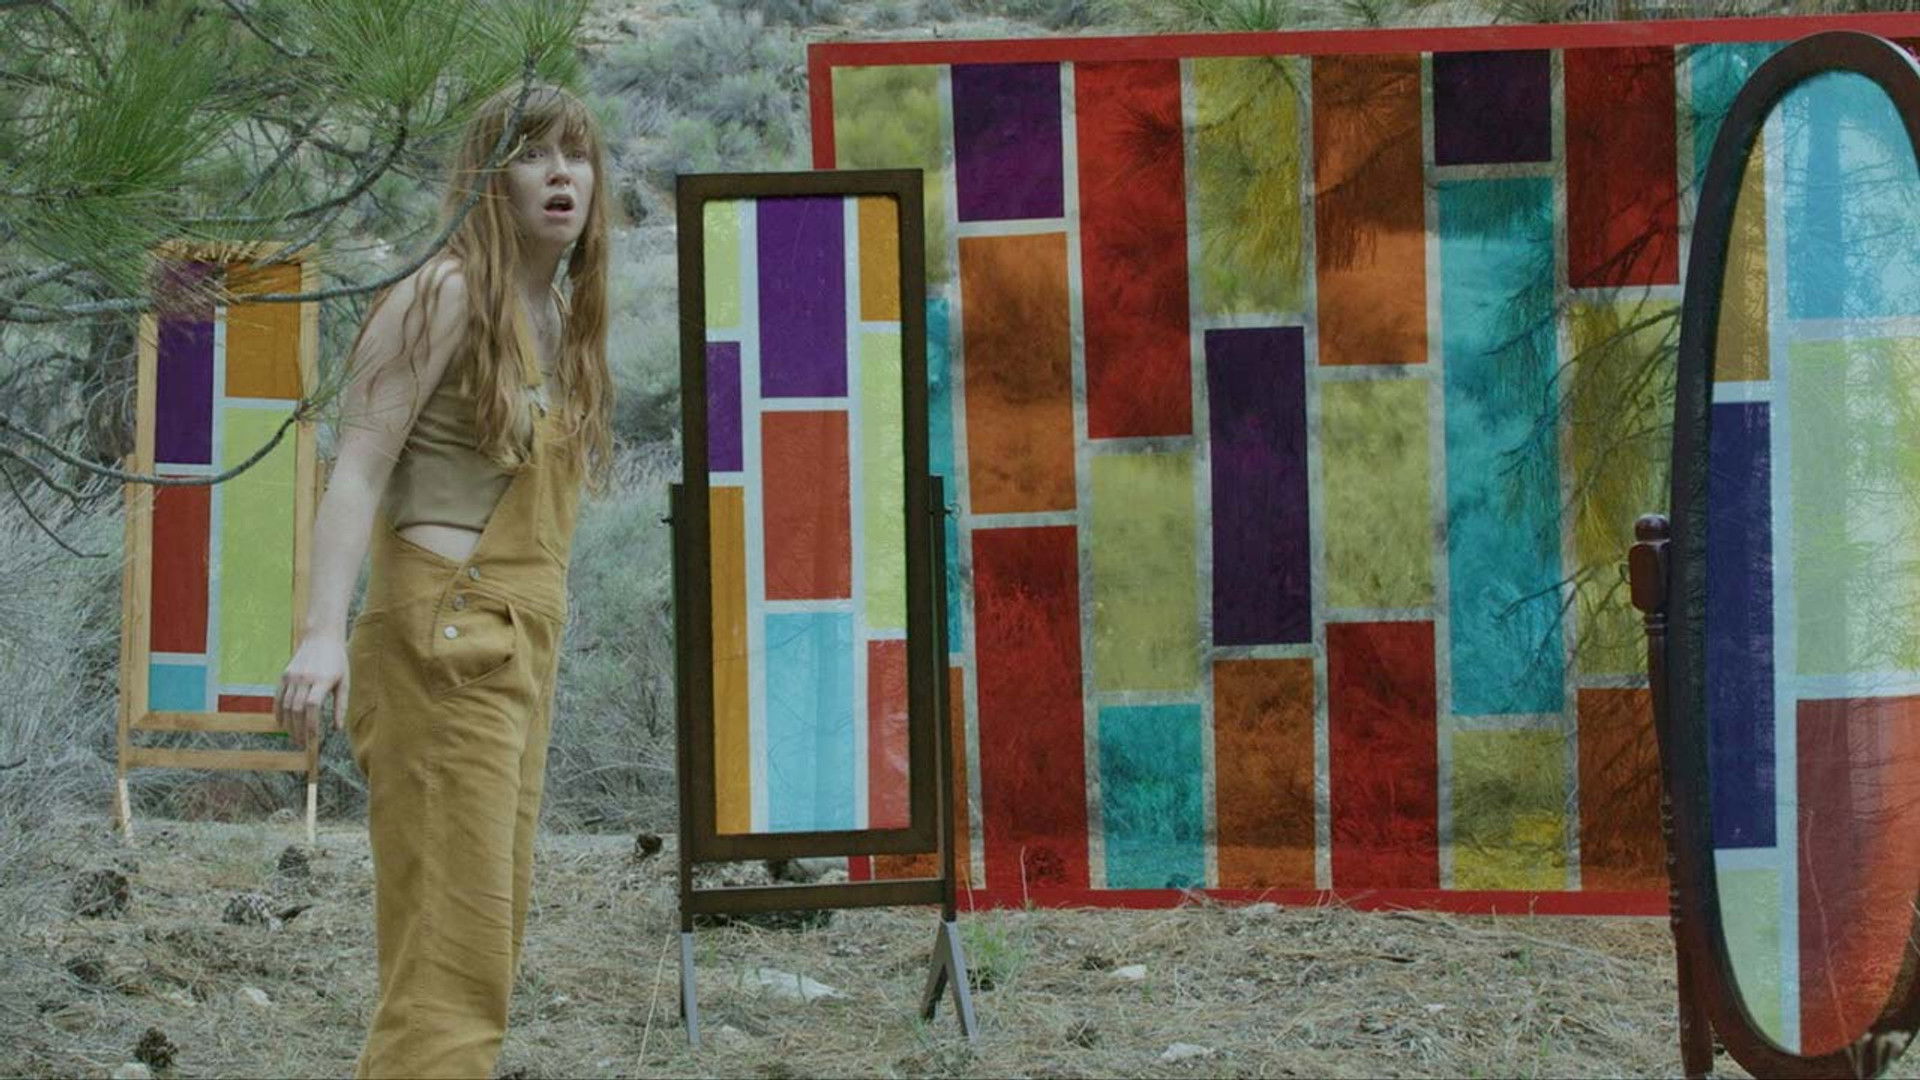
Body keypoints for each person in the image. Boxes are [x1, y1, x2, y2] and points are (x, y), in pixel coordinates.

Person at [271, 81, 613, 1078]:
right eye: (532, 153)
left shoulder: (560, 315)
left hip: (515, 647)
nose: (560, 174)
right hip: (442, 637)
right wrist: (321, 634)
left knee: (484, 943)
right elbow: (359, 466)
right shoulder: (446, 290)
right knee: (448, 965)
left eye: (576, 153)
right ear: (487, 178)